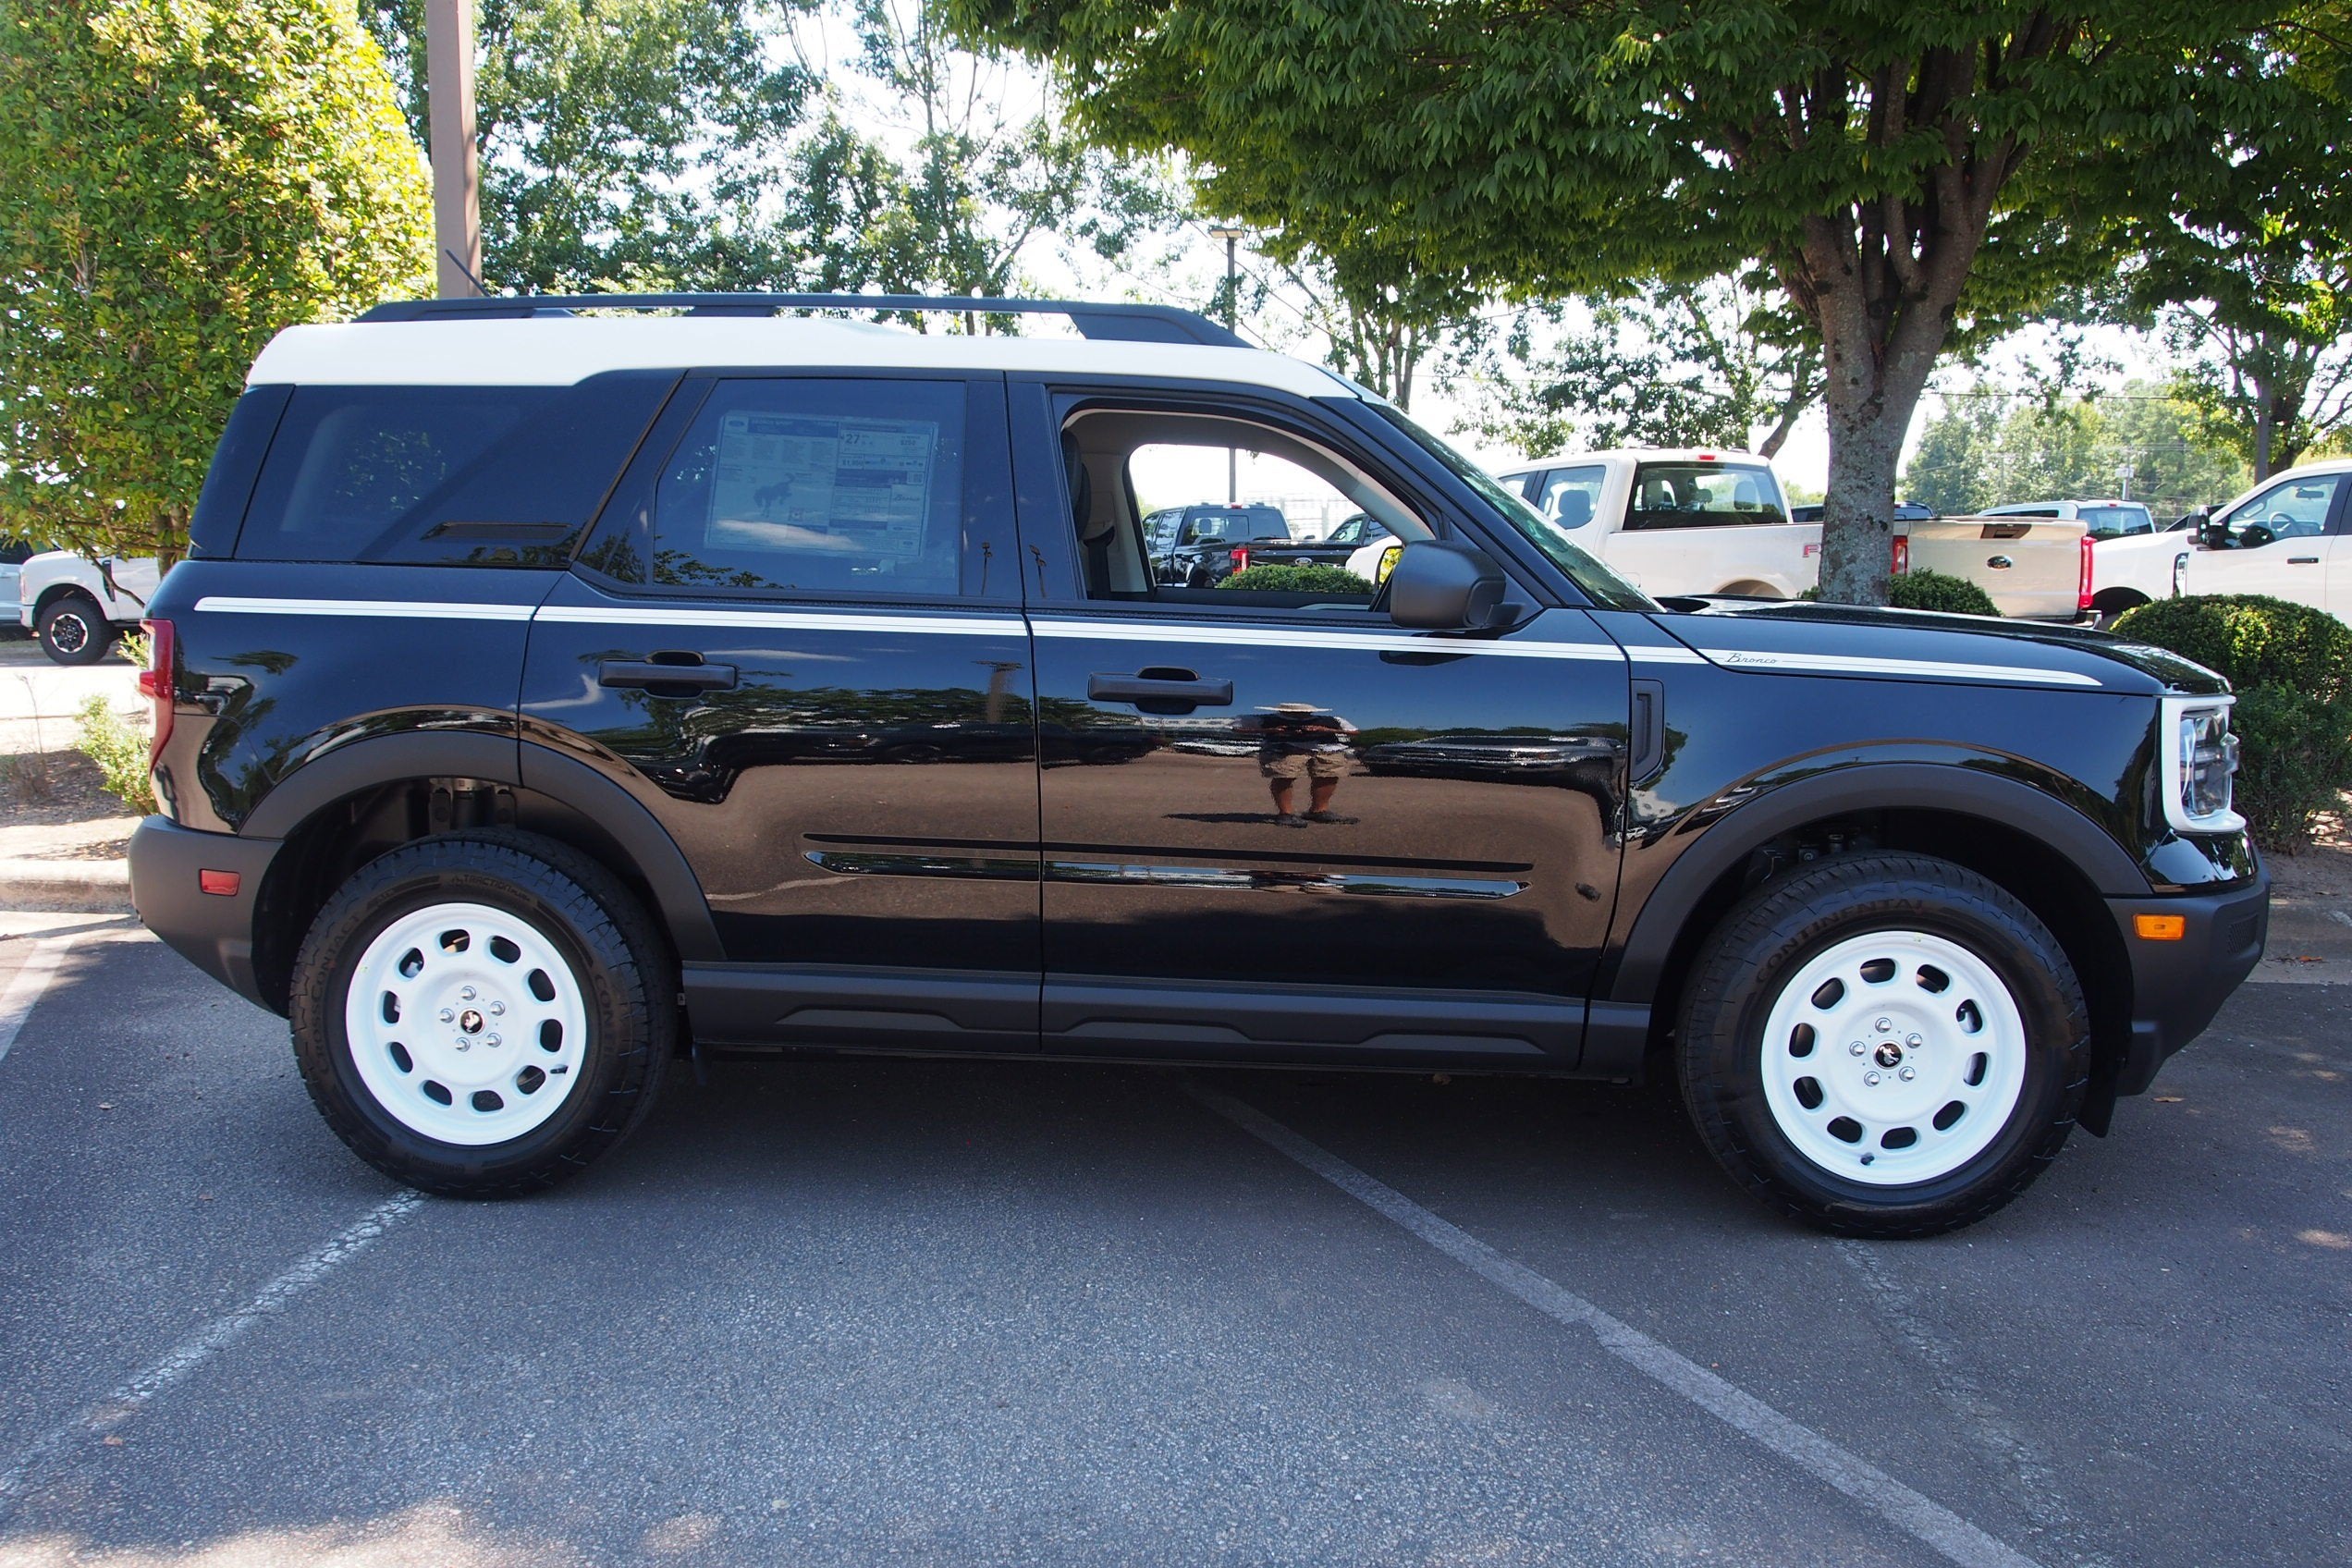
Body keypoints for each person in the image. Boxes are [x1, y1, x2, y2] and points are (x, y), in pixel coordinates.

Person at [1245, 702, 1358, 827]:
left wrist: (1326, 730)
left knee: (1328, 775)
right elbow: (1239, 728)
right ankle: (1285, 813)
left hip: (1326, 748)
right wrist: (1272, 730)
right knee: (1284, 776)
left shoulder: (1332, 720)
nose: (1299, 715)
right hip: (1284, 747)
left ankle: (1319, 810)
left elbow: (1354, 731)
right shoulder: (1266, 719)